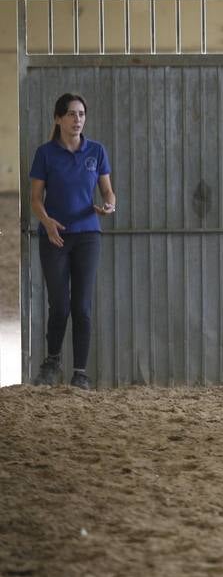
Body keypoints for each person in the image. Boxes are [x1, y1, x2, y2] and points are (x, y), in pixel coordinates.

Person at [29, 93, 115, 389]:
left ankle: (80, 373)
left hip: (87, 236)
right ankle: (52, 362)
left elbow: (108, 191)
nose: (77, 119)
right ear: (58, 119)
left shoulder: (96, 151)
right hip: (54, 237)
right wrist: (47, 221)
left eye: (81, 114)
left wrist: (109, 205)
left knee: (82, 306)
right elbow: (35, 198)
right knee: (59, 305)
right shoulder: (45, 153)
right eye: (71, 114)